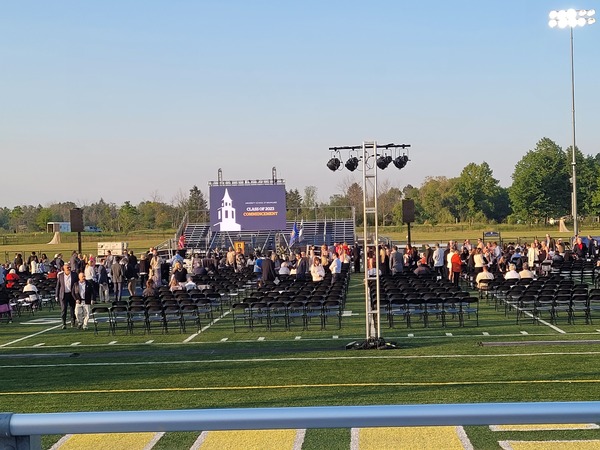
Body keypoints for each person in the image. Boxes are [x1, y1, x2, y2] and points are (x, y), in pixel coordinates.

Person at [56, 263, 77, 329]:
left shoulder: (74, 275)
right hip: (63, 294)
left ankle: (73, 322)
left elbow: (77, 285)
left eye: (69, 267)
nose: (69, 268)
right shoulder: (61, 275)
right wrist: (56, 295)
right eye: (67, 267)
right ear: (64, 268)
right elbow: (58, 286)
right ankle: (64, 323)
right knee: (63, 309)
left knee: (72, 309)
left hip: (72, 294)